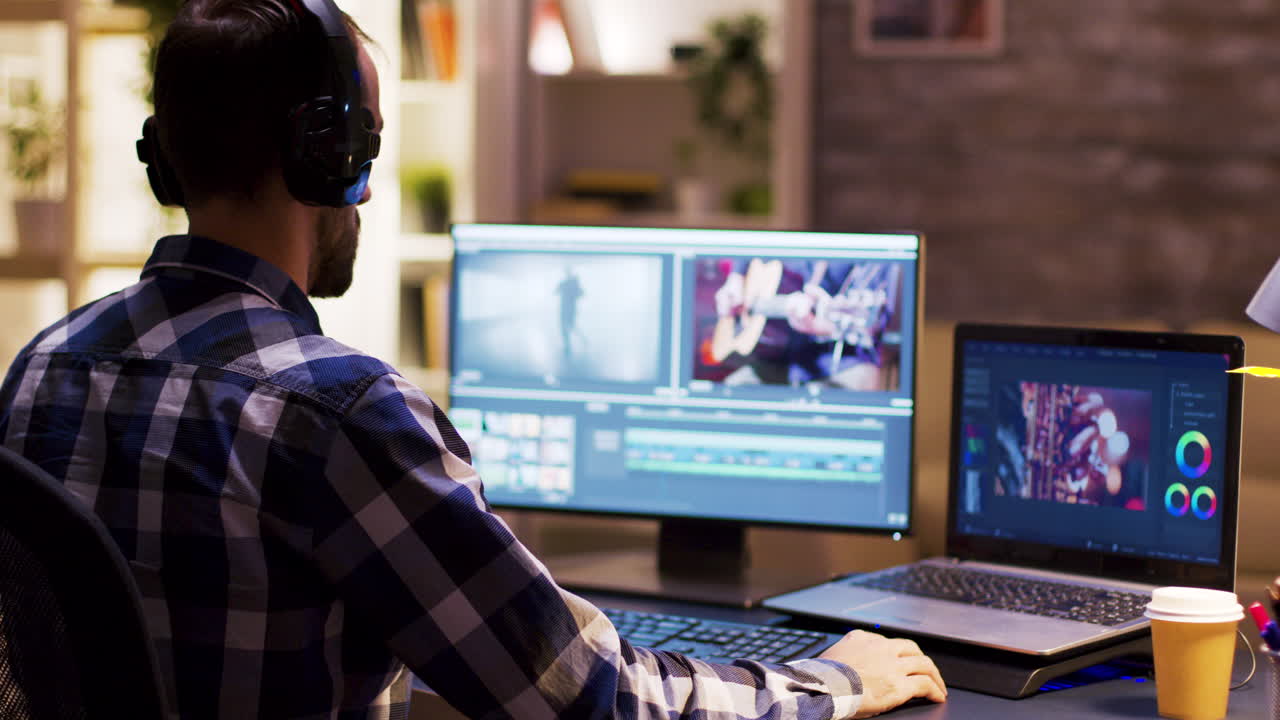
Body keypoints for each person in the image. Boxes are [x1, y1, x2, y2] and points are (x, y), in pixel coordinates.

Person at [0, 1, 946, 718]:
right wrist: (833, 682)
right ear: (330, 156)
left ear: (165, 160)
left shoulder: (39, 367)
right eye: (366, 148)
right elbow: (582, 697)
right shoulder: (338, 413)